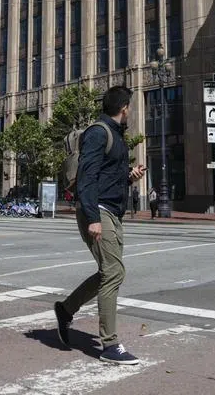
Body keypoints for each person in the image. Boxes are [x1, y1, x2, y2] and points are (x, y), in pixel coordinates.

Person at [54, 86, 146, 365]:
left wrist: (129, 176)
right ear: (125, 108)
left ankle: (66, 309)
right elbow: (87, 177)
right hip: (98, 211)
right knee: (114, 272)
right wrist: (93, 218)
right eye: (130, 107)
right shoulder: (98, 133)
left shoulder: (115, 135)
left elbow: (107, 176)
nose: (131, 111)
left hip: (111, 212)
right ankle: (110, 344)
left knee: (110, 272)